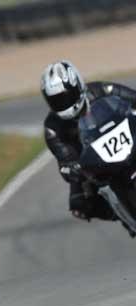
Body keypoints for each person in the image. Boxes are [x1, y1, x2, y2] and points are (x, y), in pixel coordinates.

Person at [41, 60, 136, 220]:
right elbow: (65, 159)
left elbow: (132, 97)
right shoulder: (52, 128)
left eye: (65, 96)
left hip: (124, 139)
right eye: (56, 101)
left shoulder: (102, 90)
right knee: (79, 204)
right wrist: (72, 169)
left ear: (78, 86)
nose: (63, 103)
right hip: (90, 161)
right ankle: (121, 215)